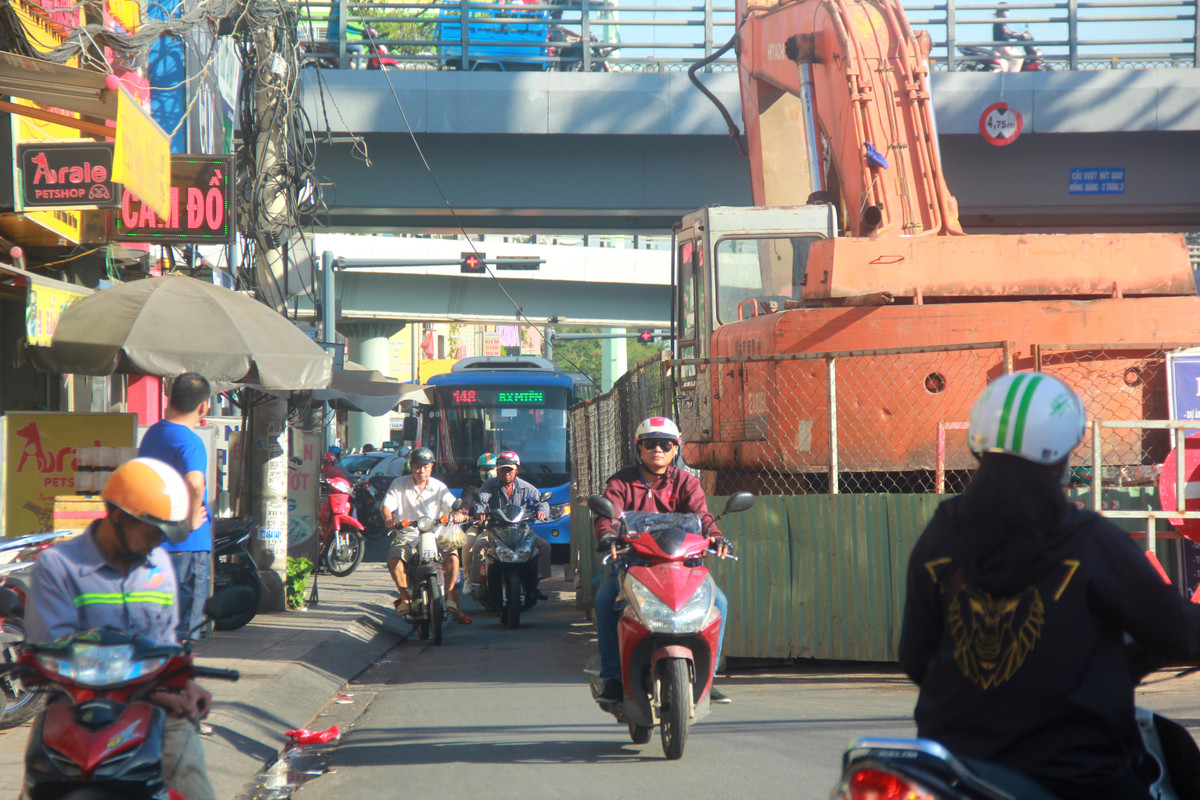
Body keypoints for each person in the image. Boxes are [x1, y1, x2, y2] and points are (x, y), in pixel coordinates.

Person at [899, 372, 1200, 800]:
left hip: (952, 767)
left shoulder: (943, 534)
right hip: (1075, 775)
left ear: (977, 442)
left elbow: (915, 659)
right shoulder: (1087, 541)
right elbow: (1179, 632)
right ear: (1063, 451)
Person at [24, 457, 217, 800]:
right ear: (117, 516)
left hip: (150, 715)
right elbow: (53, 652)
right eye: (152, 530)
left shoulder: (159, 566)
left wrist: (184, 683)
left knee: (189, 774)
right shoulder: (58, 566)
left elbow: (164, 644)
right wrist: (151, 688)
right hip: (72, 714)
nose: (159, 541)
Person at [592, 417, 732, 703]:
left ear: (675, 450)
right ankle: (613, 677)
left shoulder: (687, 482)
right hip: (633, 564)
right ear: (639, 448)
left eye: (665, 444)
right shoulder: (621, 482)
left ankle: (708, 677)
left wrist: (715, 536)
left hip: (680, 566)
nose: (658, 449)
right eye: (650, 444)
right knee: (605, 601)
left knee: (719, 602)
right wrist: (607, 536)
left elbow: (702, 517)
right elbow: (606, 516)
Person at [138, 372, 212, 643]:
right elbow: (195, 482)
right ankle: (175, 684)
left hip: (154, 543)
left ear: (169, 398)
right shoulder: (191, 441)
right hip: (187, 546)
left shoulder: (153, 435)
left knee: (156, 627)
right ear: (204, 405)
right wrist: (190, 520)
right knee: (184, 634)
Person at [381, 447, 471, 623]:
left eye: (425, 466)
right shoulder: (399, 484)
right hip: (408, 536)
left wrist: (458, 513)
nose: (421, 471)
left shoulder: (438, 487)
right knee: (395, 559)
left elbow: (453, 504)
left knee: (453, 558)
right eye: (417, 466)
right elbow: (387, 506)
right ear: (411, 466)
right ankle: (404, 597)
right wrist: (389, 519)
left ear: (431, 467)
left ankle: (450, 595)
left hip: (436, 535)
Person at [473, 451, 552, 596]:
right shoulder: (489, 485)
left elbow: (542, 502)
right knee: (478, 545)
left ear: (516, 469)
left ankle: (535, 583)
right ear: (497, 469)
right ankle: (479, 585)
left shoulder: (526, 487)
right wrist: (480, 512)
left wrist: (542, 512)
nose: (506, 473)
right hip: (495, 530)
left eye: (509, 469)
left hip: (521, 531)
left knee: (544, 546)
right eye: (503, 469)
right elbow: (481, 501)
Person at [461, 453, 496, 592]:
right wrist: (462, 514)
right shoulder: (471, 488)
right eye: (483, 469)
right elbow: (465, 505)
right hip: (477, 525)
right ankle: (468, 578)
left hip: (497, 527)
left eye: (490, 468)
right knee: (468, 542)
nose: (487, 472)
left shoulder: (500, 486)